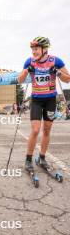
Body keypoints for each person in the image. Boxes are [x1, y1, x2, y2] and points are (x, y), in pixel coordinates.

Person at [17, 36, 70, 172]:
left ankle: (42, 157)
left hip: (50, 100)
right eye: (33, 49)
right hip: (36, 100)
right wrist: (26, 71)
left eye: (36, 49)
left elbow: (67, 79)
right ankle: (28, 159)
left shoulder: (55, 61)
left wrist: (57, 72)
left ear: (44, 49)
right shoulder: (30, 61)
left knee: (46, 130)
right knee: (35, 130)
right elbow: (20, 80)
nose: (34, 52)